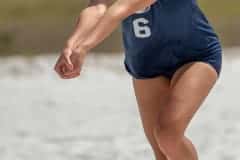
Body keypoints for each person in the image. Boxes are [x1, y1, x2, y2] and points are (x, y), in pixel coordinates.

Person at [54, 0, 222, 159]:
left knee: (167, 135)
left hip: (194, 55)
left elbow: (122, 8)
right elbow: (97, 7)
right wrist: (72, 44)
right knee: (161, 152)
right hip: (146, 61)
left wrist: (83, 47)